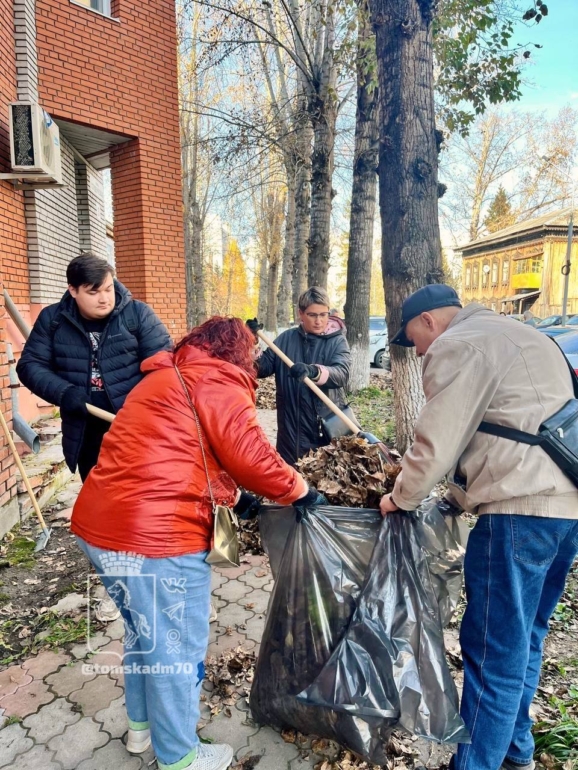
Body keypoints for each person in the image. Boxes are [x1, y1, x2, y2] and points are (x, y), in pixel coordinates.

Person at [70, 316, 325, 770]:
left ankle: (141, 728)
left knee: (143, 634)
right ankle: (180, 756)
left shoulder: (166, 376)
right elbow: (250, 455)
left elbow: (182, 449)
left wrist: (235, 496)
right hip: (158, 539)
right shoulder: (220, 380)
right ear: (236, 353)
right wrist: (301, 491)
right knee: (175, 647)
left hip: (99, 528)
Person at [379, 284, 578, 770]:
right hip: (564, 510)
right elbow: (510, 427)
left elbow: (436, 441)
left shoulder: (459, 344)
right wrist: (457, 496)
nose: (421, 351)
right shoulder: (516, 332)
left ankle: (476, 764)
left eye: (416, 340)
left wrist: (400, 497)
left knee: (492, 653)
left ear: (428, 321)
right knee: (525, 639)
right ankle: (515, 753)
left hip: (518, 516)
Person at [17, 253, 171, 622]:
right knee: (106, 510)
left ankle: (163, 587)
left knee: (147, 507)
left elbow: (165, 362)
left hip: (136, 429)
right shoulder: (54, 320)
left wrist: (144, 407)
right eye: (93, 292)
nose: (105, 298)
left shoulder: (137, 315)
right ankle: (117, 586)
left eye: (108, 289)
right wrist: (64, 391)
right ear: (73, 290)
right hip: (87, 429)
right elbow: (30, 365)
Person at [248, 286, 351, 465]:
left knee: (322, 483)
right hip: (290, 430)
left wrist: (314, 371)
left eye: (323, 314)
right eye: (312, 315)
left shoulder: (337, 340)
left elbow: (342, 374)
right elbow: (261, 368)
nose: (319, 321)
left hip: (323, 429)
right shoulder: (286, 339)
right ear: (300, 314)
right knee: (292, 481)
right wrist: (250, 342)